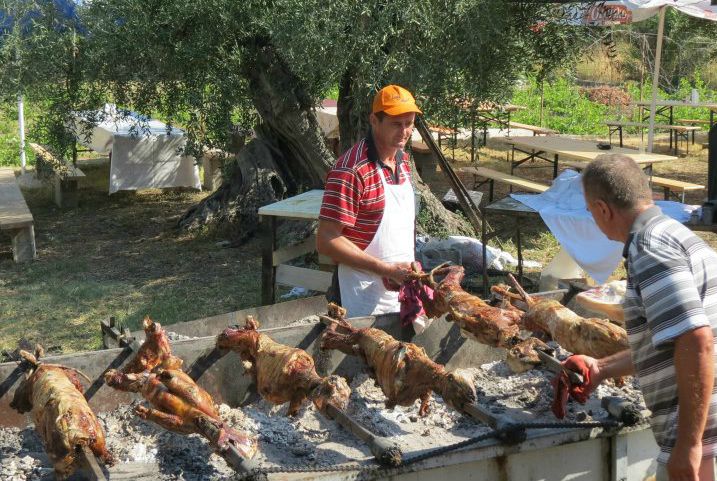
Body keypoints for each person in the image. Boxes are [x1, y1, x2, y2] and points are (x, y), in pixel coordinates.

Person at [567, 153, 717, 481]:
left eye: (591, 211)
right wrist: (602, 368)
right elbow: (672, 340)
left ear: (603, 209)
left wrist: (688, 446)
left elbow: (697, 340)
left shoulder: (650, 250)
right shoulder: (677, 235)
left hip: (703, 444)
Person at [316, 85, 421, 318]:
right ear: (374, 120)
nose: (404, 131)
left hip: (400, 288)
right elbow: (326, 240)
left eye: (409, 123)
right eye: (396, 123)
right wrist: (384, 269)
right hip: (358, 292)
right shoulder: (351, 170)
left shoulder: (403, 162)